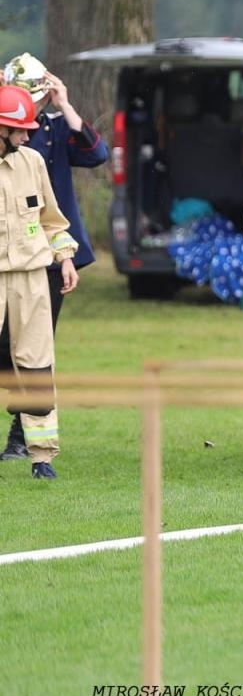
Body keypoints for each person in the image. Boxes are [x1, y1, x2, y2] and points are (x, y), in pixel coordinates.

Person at [0, 54, 107, 462]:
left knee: (35, 352)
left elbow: (96, 155)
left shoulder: (53, 129)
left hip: (45, 255)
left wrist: (65, 104)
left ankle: (23, 437)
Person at [0, 85, 79, 479]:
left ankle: (41, 456)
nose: (27, 136)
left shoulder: (32, 161)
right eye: (17, 130)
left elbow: (52, 221)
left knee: (37, 365)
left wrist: (65, 258)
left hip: (32, 278)